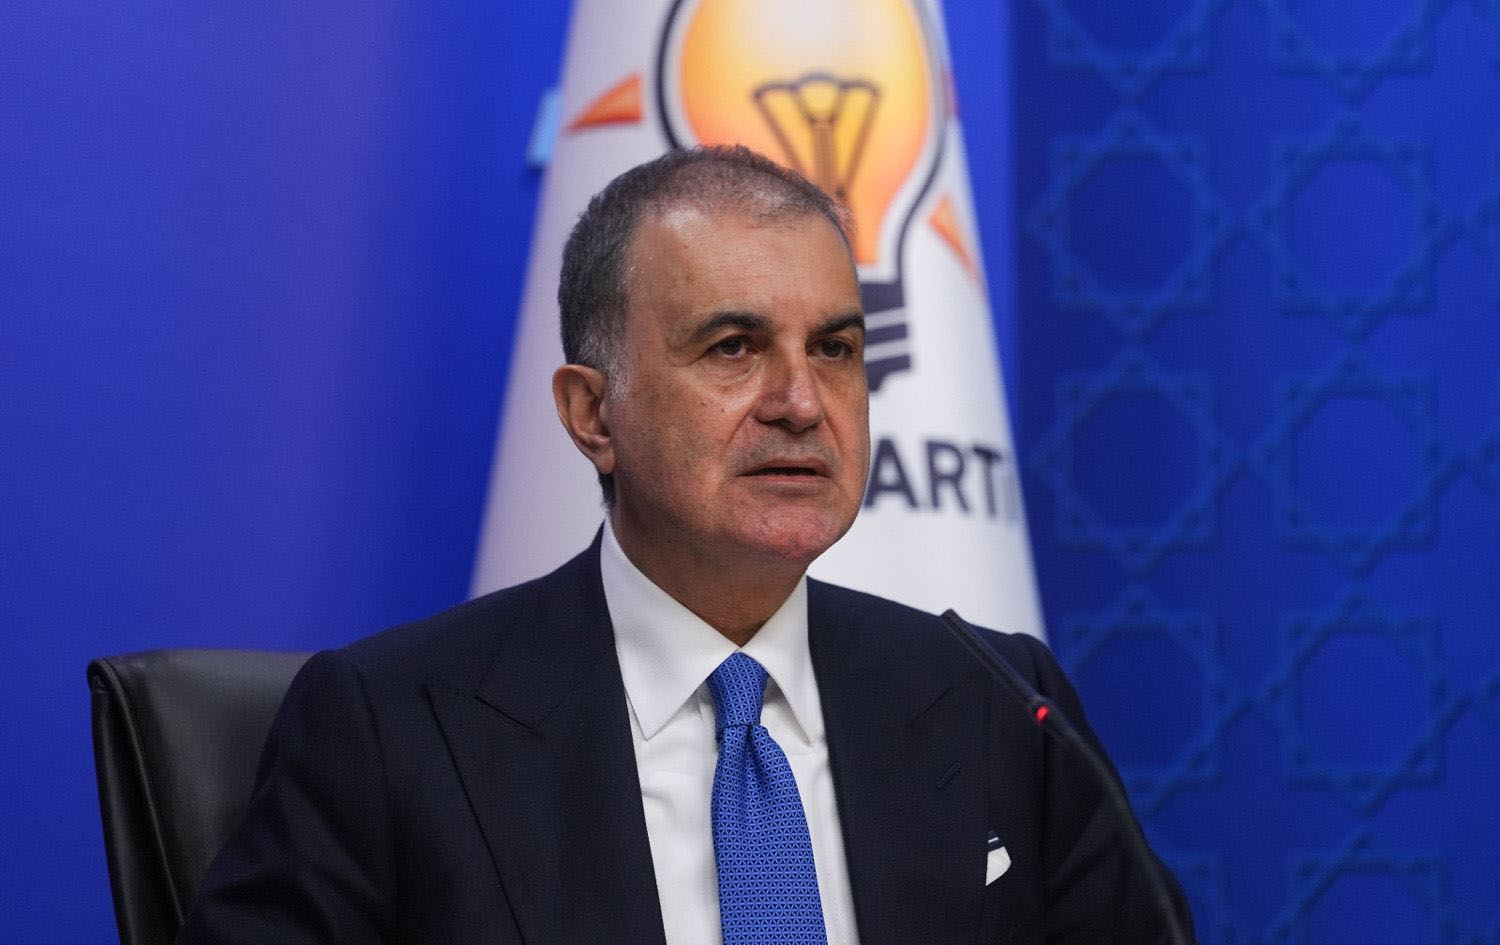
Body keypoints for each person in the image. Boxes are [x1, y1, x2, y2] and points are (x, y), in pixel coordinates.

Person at [177, 146, 1193, 944]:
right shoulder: (390, 729)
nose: (802, 403)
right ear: (592, 414)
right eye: (733, 347)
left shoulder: (1001, 705)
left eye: (835, 349)